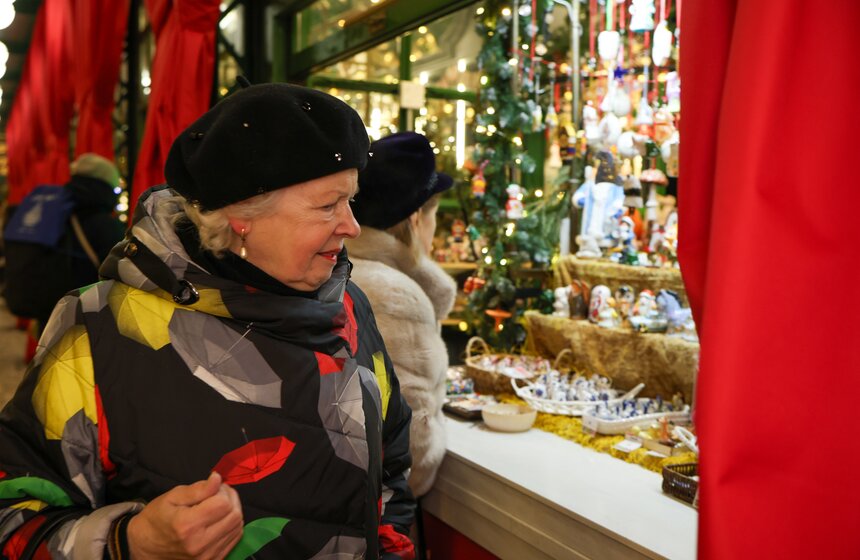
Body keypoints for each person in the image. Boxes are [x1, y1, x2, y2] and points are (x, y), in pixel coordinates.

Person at [0, 82, 415, 560]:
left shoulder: (350, 306)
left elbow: (392, 465)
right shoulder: (97, 327)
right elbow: (16, 516)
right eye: (327, 205)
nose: (352, 226)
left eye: (351, 201)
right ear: (242, 215)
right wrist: (129, 543)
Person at [346, 132, 456, 498]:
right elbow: (414, 458)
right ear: (414, 219)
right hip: (376, 524)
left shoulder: (340, 267)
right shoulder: (396, 297)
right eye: (434, 216)